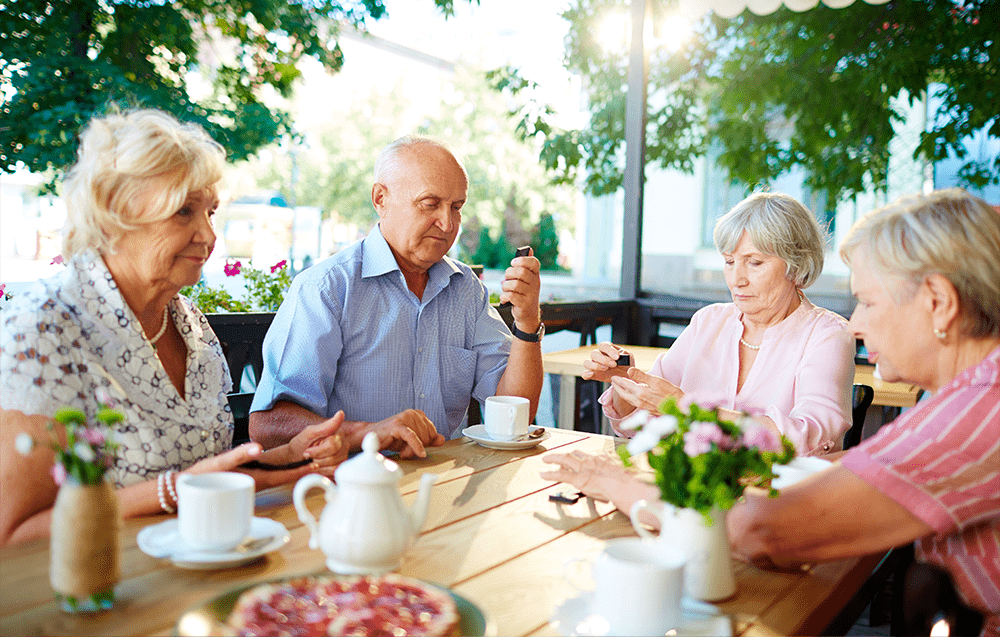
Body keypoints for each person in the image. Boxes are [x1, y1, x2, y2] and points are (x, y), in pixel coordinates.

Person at [542, 189, 1000, 635]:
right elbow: (853, 464)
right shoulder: (971, 398)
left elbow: (756, 530)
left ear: (938, 302)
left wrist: (621, 486)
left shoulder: (977, 415)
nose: (856, 323)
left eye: (869, 301)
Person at [0, 109, 344, 546]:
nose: (208, 234)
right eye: (184, 212)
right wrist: (170, 491)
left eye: (211, 212)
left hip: (204, 568)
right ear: (114, 217)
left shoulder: (189, 324)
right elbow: (13, 535)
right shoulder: (40, 329)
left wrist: (284, 458)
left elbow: (204, 476)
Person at [249, 136, 544, 458]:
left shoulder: (466, 289)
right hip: (349, 490)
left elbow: (518, 414)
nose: (447, 224)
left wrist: (527, 322)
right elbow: (269, 426)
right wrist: (368, 433)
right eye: (429, 204)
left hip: (441, 484)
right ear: (380, 199)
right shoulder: (327, 289)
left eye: (456, 207)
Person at [586, 192, 854, 455]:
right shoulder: (708, 321)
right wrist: (625, 385)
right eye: (729, 261)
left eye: (755, 262)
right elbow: (643, 424)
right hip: (691, 489)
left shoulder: (828, 335)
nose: (737, 279)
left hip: (779, 496)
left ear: (796, 266)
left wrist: (688, 410)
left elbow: (813, 439)